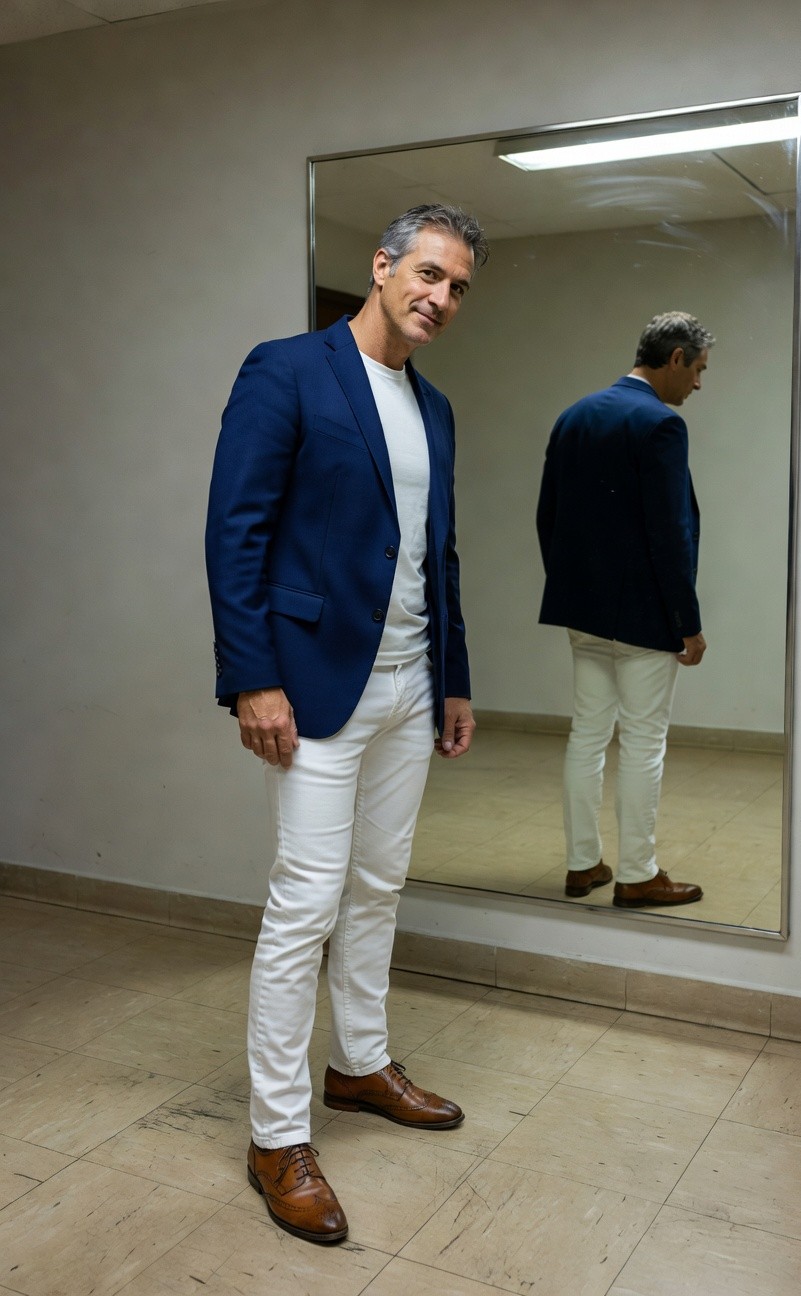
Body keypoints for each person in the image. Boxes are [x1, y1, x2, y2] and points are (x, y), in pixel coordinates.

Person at [205, 204, 488, 1244]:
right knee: (305, 905)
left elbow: (436, 556)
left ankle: (360, 1065)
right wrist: (252, 677)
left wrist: (453, 678)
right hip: (315, 685)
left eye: (457, 287)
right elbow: (235, 528)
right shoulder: (287, 371)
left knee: (379, 883)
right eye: (426, 274)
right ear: (381, 267)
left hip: (411, 688)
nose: (439, 298)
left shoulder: (437, 409)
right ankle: (277, 1135)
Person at [536, 311, 714, 910]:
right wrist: (686, 622)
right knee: (643, 741)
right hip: (643, 616)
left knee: (586, 736)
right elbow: (672, 533)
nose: (697, 385)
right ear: (676, 358)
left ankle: (583, 865)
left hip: (582, 612)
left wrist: (573, 588)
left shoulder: (574, 415)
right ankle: (639, 873)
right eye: (698, 371)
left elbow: (548, 518)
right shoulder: (661, 424)